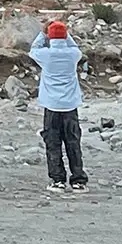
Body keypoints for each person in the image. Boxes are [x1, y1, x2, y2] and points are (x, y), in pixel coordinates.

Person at [29, 20, 87, 192]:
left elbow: (33, 50)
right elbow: (74, 46)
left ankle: (57, 180)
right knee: (73, 142)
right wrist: (64, 33)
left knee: (53, 143)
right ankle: (78, 180)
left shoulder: (45, 55)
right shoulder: (72, 54)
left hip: (52, 105)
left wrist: (43, 33)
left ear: (50, 37)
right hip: (70, 105)